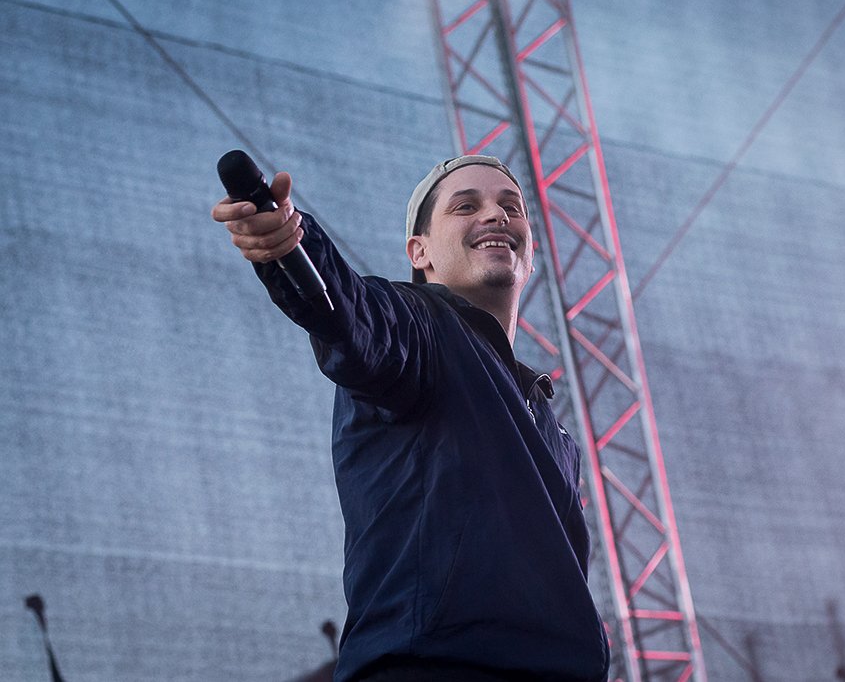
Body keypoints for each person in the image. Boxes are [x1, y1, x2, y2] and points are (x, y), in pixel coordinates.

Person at [211, 155, 610, 681]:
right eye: (465, 206)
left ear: (530, 253)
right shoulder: (419, 328)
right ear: (419, 252)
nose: (496, 215)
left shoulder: (550, 426)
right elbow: (350, 310)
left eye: (511, 207)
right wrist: (290, 243)